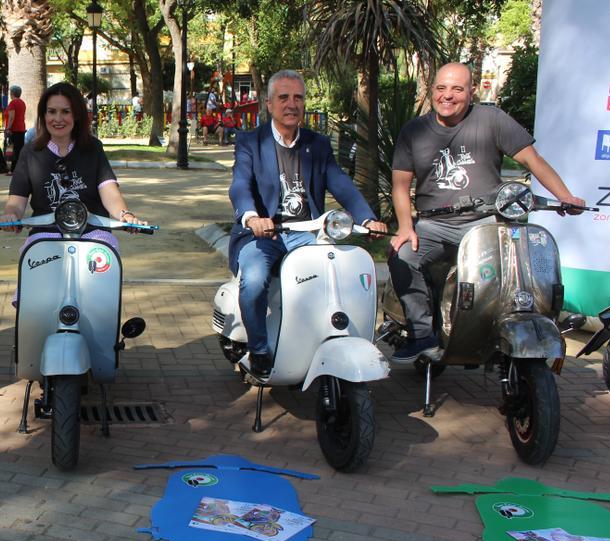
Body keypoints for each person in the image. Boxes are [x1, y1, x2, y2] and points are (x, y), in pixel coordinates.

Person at [386, 62, 585, 362]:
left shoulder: (491, 119)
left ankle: (508, 326)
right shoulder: (414, 131)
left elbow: (534, 161)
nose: (448, 96)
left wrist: (565, 196)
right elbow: (400, 185)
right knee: (402, 258)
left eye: (457, 88)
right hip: (433, 224)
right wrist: (405, 227)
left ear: (472, 91)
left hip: (487, 221)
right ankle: (421, 333)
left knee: (517, 270)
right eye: (441, 88)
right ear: (432, 92)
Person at [229, 69, 388, 379]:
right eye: (284, 97)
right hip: (264, 235)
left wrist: (368, 218)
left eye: (298, 97)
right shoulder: (251, 141)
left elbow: (341, 184)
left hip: (307, 233)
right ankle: (259, 350)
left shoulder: (318, 144)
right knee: (254, 278)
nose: (292, 104)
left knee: (342, 271)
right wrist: (251, 217)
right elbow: (239, 185)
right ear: (269, 104)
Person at [0, 82, 146, 294]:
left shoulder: (93, 148)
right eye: (51, 111)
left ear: (76, 115)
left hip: (92, 234)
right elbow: (17, 200)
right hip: (45, 235)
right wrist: (10, 215)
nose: (58, 119)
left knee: (104, 265)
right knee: (35, 280)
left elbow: (108, 190)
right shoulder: (30, 152)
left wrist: (125, 215)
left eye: (65, 112)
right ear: (43, 115)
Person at [4, 85, 27, 173]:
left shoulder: (13, 103)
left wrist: (8, 128)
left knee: (11, 150)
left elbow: (11, 117)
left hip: (14, 129)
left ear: (12, 93)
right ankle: (19, 168)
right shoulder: (22, 102)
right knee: (19, 149)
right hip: (21, 128)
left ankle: (12, 169)